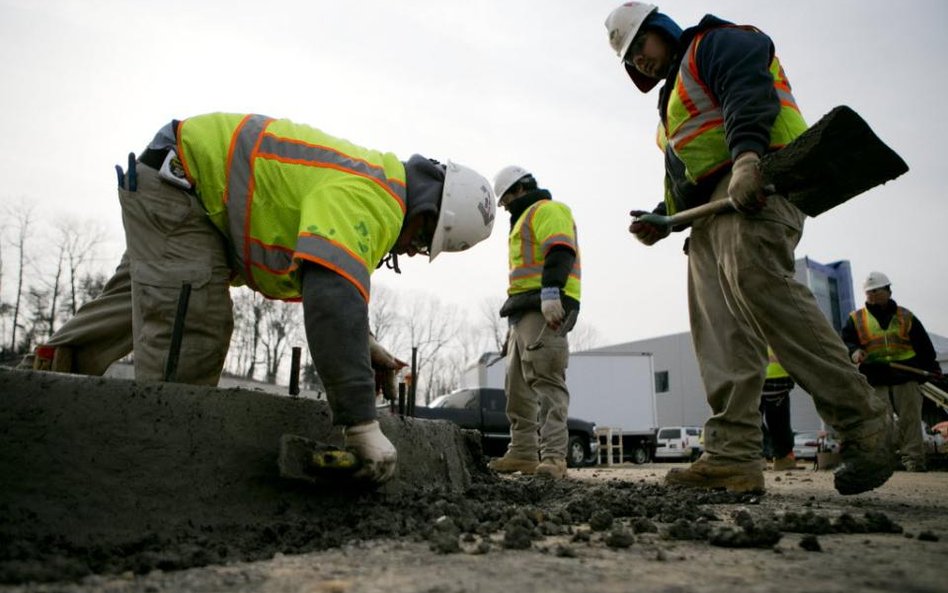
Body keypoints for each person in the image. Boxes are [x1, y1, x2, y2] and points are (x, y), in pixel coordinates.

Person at [27, 113, 496, 484]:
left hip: (180, 185)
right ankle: (160, 480)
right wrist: (361, 425)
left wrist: (363, 340)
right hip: (184, 187)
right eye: (420, 242)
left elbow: (331, 285)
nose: (411, 251)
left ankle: (30, 401)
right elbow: (332, 299)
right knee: (193, 329)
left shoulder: (374, 183)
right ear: (428, 211)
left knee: (131, 308)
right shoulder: (374, 200)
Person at [604, 3, 895, 495]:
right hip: (708, 217)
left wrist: (746, 162)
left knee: (764, 292)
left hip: (759, 185)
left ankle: (864, 423)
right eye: (630, 61)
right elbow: (692, 168)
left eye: (640, 48)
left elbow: (747, 93)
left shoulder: (716, 42)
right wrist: (665, 218)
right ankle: (732, 456)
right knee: (719, 332)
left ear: (659, 29)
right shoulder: (671, 102)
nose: (640, 62)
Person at [487, 166, 581, 480]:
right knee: (516, 388)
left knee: (547, 382)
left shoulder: (547, 210)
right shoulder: (523, 220)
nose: (504, 208)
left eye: (505, 200)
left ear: (519, 190)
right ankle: (523, 452)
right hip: (524, 311)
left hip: (545, 308)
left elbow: (560, 250)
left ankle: (554, 457)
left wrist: (552, 292)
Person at [842, 272, 941, 472]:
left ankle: (913, 459)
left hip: (905, 376)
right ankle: (884, 461)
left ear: (888, 290)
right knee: (880, 422)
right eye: (869, 292)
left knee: (910, 420)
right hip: (875, 376)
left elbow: (924, 346)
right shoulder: (856, 318)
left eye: (877, 291)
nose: (872, 295)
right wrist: (854, 352)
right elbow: (847, 341)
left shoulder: (905, 316)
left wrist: (931, 369)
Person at [760, 347, 800, 471]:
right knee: (778, 419)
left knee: (749, 415)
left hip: (753, 372)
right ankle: (783, 456)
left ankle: (755, 454)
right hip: (778, 375)